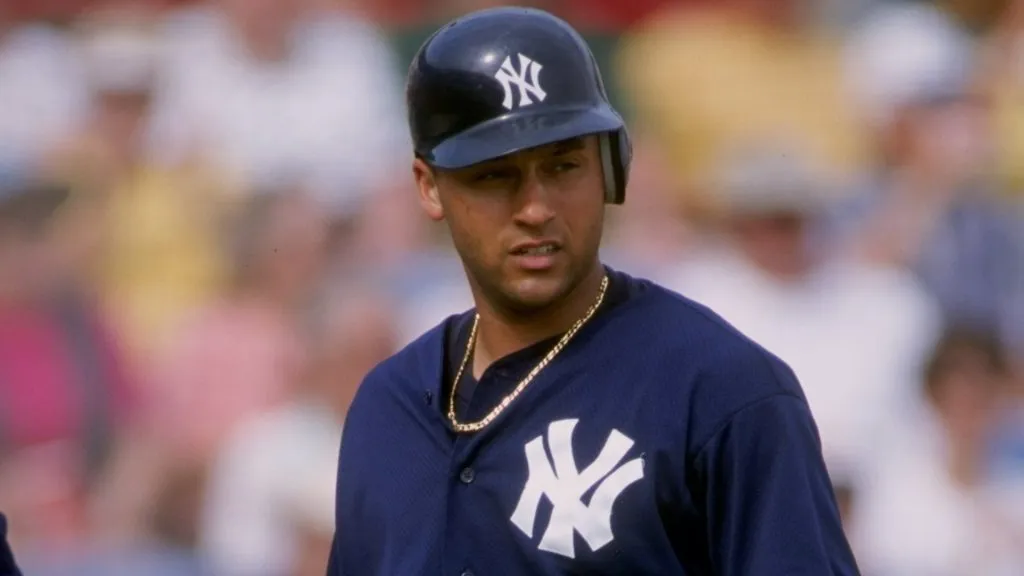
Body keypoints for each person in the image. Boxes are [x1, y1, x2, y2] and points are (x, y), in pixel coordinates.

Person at [327, 7, 858, 575]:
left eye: (562, 167)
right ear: (429, 188)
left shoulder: (721, 391)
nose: (536, 208)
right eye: (494, 175)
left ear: (609, 168)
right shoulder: (389, 406)